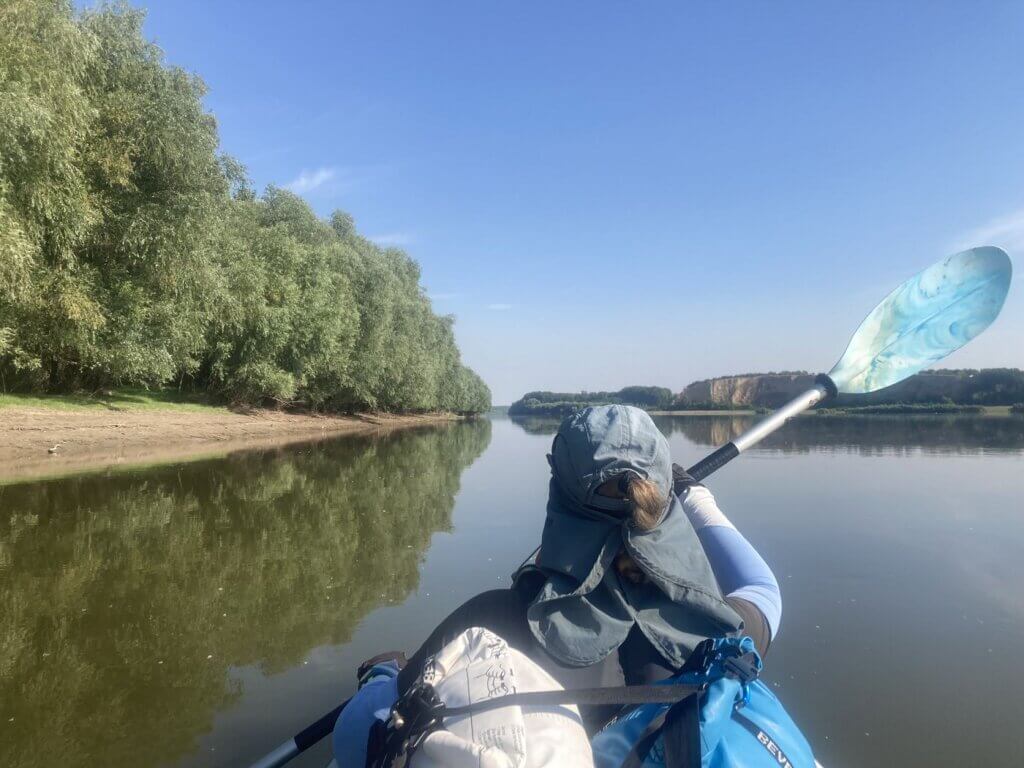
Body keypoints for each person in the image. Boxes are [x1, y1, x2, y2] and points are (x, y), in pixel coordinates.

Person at [334, 405, 782, 763]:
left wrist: (383, 675)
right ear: (661, 498)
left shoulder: (490, 623)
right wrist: (693, 497)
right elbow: (764, 589)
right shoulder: (724, 631)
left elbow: (357, 739)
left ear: (558, 494)